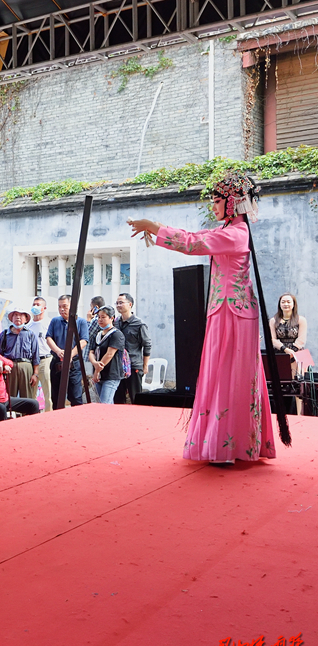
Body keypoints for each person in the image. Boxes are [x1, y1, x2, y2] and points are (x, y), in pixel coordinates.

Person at [127, 170, 278, 462]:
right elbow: (198, 241)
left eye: (218, 200)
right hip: (225, 310)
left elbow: (195, 242)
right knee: (223, 372)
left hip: (234, 312)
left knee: (230, 374)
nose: (214, 205)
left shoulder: (236, 233)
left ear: (233, 202)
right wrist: (156, 232)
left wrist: (155, 227)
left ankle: (228, 447)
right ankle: (231, 444)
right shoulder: (231, 231)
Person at [46, 295, 89, 409]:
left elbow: (84, 341)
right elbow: (49, 338)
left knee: (75, 396)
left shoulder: (81, 322)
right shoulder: (55, 321)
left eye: (65, 306)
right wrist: (58, 351)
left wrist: (71, 353)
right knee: (56, 396)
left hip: (73, 363)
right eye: (59, 307)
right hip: (57, 361)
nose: (62, 309)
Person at [113, 293, 152, 405]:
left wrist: (144, 366)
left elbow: (147, 344)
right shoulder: (116, 323)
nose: (118, 305)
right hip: (118, 367)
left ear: (130, 304)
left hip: (134, 365)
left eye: (121, 303)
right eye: (117, 303)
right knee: (118, 399)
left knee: (135, 397)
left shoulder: (139, 324)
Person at [0, 304, 40, 401]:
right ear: (11, 318)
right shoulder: (4, 334)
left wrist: (35, 374)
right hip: (9, 367)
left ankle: (28, 416)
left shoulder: (30, 334)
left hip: (26, 366)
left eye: (21, 315)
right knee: (9, 397)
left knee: (28, 397)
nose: (18, 317)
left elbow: (35, 356)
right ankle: (10, 415)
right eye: (15, 315)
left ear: (26, 319)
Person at [88, 306, 127, 404]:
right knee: (104, 403)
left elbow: (109, 354)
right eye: (98, 317)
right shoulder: (98, 334)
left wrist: (97, 370)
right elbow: (91, 352)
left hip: (111, 375)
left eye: (103, 317)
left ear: (112, 318)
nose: (100, 320)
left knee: (104, 403)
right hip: (99, 374)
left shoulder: (116, 334)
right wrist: (94, 363)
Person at [26, 297, 53, 412]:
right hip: (31, 362)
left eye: (38, 304)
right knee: (31, 392)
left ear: (44, 308)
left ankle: (49, 414)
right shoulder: (28, 326)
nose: (35, 306)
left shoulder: (49, 323)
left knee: (48, 392)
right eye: (34, 304)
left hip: (45, 359)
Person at [270, 293, 307, 373]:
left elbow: (301, 339)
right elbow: (272, 339)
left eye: (288, 302)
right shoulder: (273, 321)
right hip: (279, 353)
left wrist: (292, 351)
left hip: (298, 352)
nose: (286, 304)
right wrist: (285, 349)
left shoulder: (301, 320)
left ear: (293, 304)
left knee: (299, 381)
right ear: (279, 304)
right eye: (283, 302)